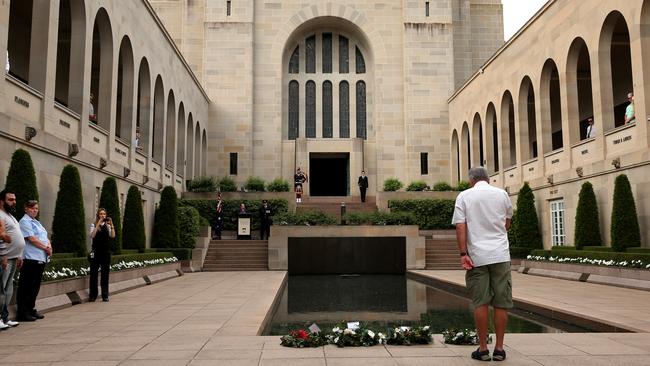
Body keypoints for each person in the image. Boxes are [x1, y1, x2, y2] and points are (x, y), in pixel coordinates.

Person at [451, 167, 513, 362]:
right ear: (488, 179)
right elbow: (507, 223)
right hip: (500, 255)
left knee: (481, 302)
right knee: (501, 302)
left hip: (477, 256)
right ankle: (500, 349)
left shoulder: (464, 196)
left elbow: (461, 225)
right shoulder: (502, 194)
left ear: (471, 181)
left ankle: (483, 349)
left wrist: (463, 254)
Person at [17, 200, 51, 322]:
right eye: (32, 208)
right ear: (26, 208)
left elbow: (45, 237)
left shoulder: (37, 222)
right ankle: (22, 312)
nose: (35, 210)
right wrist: (46, 248)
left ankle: (31, 309)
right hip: (30, 258)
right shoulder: (24, 221)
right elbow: (32, 239)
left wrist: (49, 246)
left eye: (36, 208)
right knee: (26, 286)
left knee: (35, 287)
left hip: (41, 257)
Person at [0, 190, 25, 326]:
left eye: (14, 199)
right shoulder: (0, 215)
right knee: (1, 288)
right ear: (2, 201)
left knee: (8, 288)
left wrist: (19, 255)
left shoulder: (11, 216)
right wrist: (3, 255)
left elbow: (17, 237)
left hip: (13, 257)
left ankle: (4, 317)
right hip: (5, 258)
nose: (14, 202)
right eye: (10, 199)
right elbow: (1, 238)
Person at [88, 208, 115, 302]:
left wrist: (112, 225)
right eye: (101, 214)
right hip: (96, 252)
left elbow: (113, 236)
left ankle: (105, 295)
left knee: (105, 274)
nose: (102, 215)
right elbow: (92, 235)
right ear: (98, 215)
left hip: (105, 252)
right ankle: (93, 295)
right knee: (93, 274)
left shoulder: (108, 225)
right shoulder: (94, 224)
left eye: (104, 214)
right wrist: (98, 224)